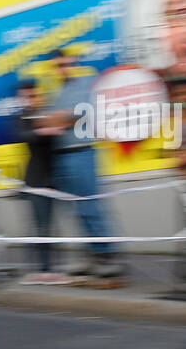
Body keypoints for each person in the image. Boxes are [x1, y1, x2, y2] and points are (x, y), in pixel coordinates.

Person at [45, 47, 127, 283]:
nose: (62, 69)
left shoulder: (87, 83)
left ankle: (109, 257)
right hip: (63, 154)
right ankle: (92, 255)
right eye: (58, 66)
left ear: (74, 62)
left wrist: (62, 117)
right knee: (77, 210)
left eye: (65, 64)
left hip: (83, 152)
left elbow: (84, 113)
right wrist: (54, 118)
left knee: (92, 206)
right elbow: (54, 118)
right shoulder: (58, 90)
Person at [13, 79, 69, 284]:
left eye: (33, 95)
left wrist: (52, 126)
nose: (30, 99)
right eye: (26, 96)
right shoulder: (23, 117)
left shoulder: (48, 112)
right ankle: (42, 269)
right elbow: (25, 136)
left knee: (50, 226)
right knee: (41, 227)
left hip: (53, 178)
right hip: (36, 180)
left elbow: (64, 126)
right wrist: (42, 131)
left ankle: (48, 268)